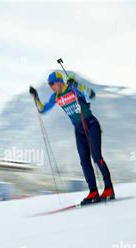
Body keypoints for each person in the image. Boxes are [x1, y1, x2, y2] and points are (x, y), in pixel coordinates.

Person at [29, 71, 114, 204]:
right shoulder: (56, 96)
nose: (51, 87)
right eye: (49, 85)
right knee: (84, 161)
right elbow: (43, 109)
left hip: (90, 124)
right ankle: (93, 192)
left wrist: (77, 85)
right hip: (79, 130)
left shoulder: (73, 88)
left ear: (59, 82)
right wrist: (36, 97)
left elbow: (91, 94)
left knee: (96, 157)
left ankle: (109, 188)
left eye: (52, 84)